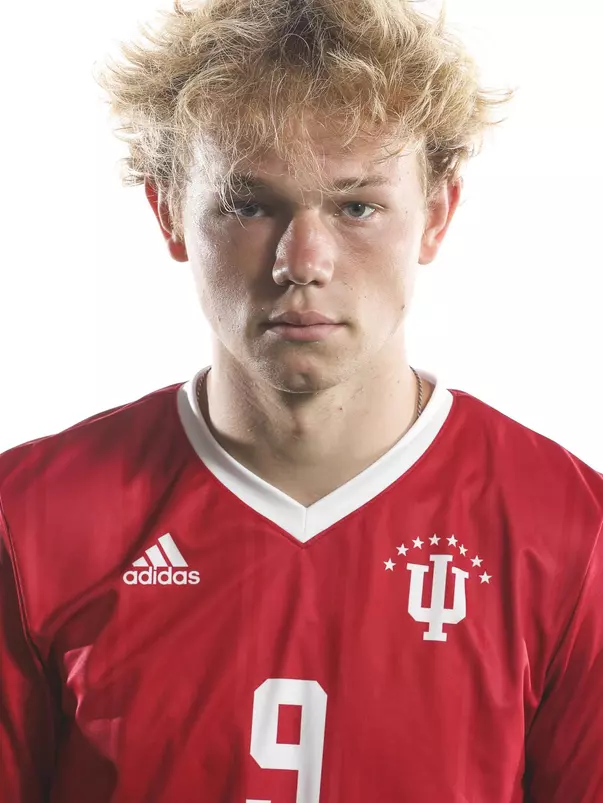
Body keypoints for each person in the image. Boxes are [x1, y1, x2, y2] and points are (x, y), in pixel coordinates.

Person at [1, 0, 601, 800]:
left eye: (356, 205)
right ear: (168, 211)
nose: (302, 260)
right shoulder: (30, 517)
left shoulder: (568, 531)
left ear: (437, 215)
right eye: (250, 203)